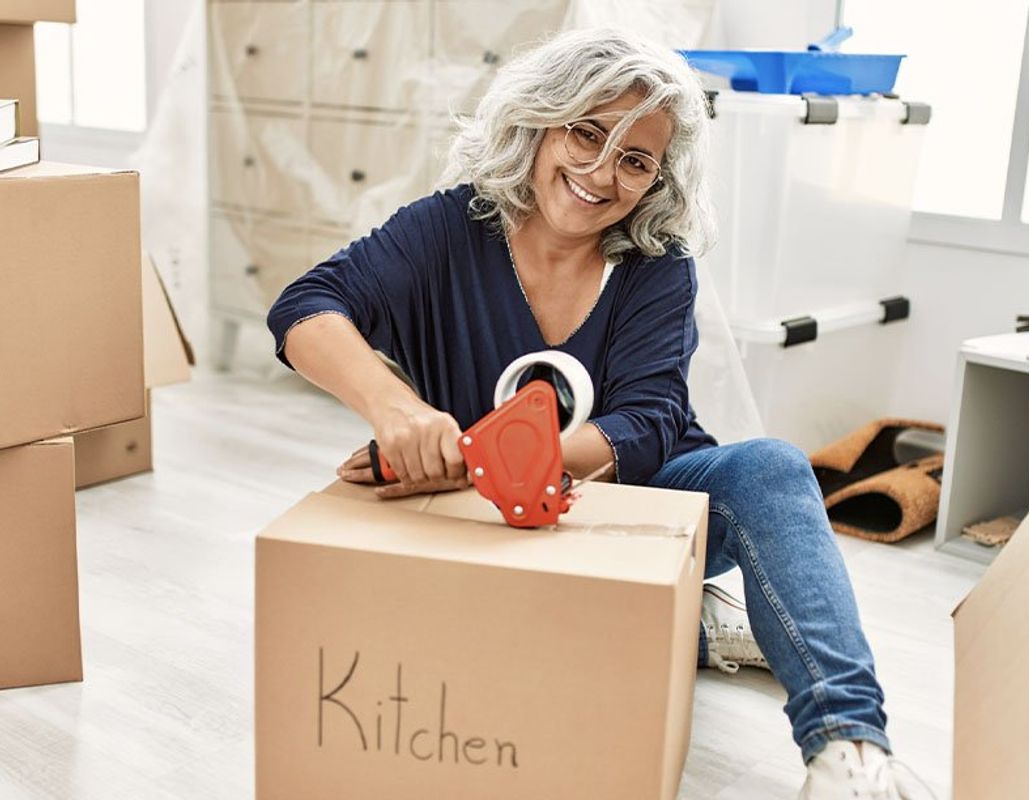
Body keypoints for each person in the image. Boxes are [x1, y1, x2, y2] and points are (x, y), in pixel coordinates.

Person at [267, 27, 933, 800]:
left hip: (643, 501)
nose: (601, 173)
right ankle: (696, 625)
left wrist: (477, 457)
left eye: (635, 159)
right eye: (587, 133)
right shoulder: (449, 229)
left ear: (655, 182)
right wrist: (399, 414)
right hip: (494, 517)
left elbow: (648, 424)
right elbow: (304, 306)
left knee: (772, 467)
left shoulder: (658, 266)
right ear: (539, 121)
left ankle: (850, 754)